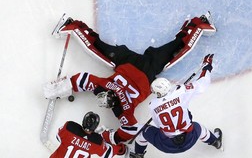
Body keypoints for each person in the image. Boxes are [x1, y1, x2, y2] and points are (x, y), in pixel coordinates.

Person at [44, 12, 216, 144]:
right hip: (128, 61)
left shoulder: (122, 110)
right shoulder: (105, 88)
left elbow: (131, 129)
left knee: (174, 51)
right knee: (99, 47)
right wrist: (61, 88)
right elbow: (83, 80)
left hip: (147, 68)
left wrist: (109, 137)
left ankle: (198, 26)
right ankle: (73, 25)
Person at [129, 54, 223, 158]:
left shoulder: (153, 105)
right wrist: (207, 66)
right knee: (198, 127)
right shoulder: (181, 92)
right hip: (189, 140)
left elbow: (159, 125)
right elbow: (202, 84)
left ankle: (138, 154)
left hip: (166, 145)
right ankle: (215, 142)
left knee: (144, 132)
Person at [50, 111, 128, 158]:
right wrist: (121, 149)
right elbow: (108, 153)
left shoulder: (69, 126)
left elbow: (58, 136)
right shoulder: (97, 141)